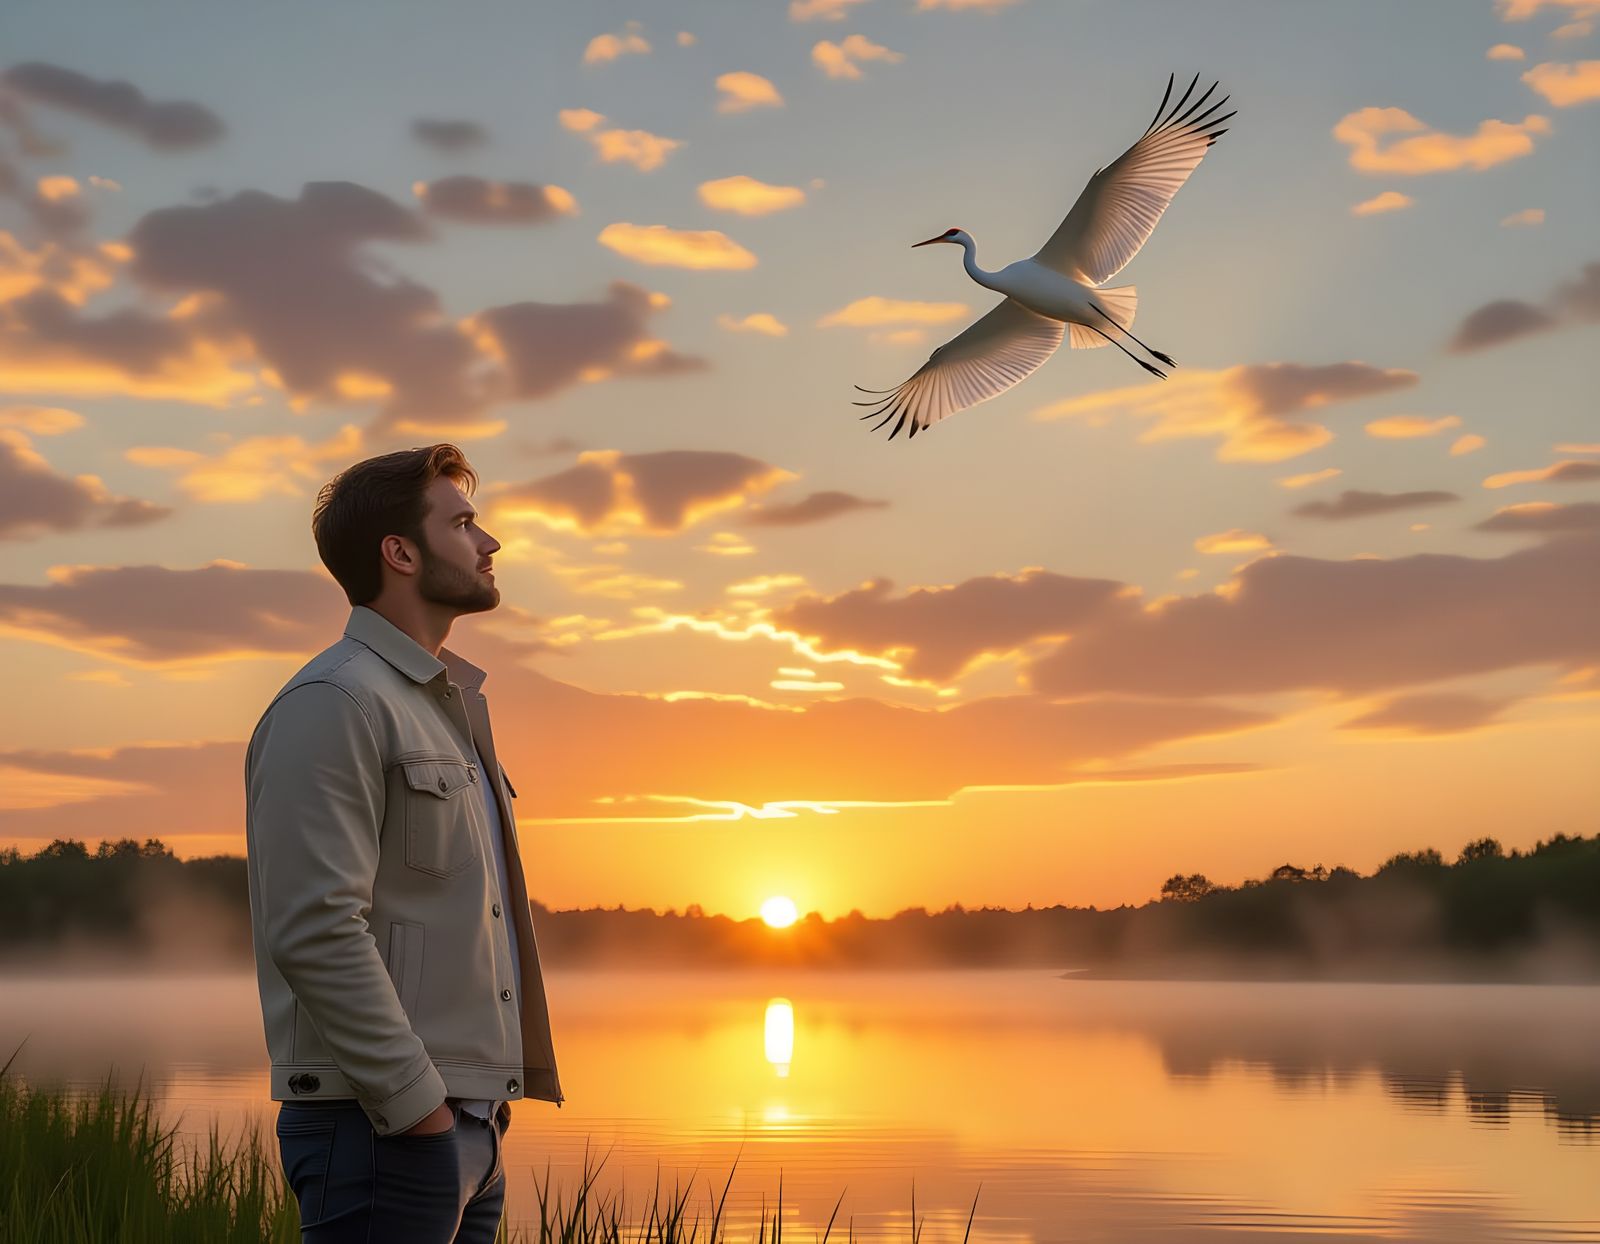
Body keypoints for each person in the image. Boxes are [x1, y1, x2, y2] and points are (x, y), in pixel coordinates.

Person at [244, 444, 563, 1241]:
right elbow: (314, 927)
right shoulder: (334, 702)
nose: (489, 544)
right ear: (400, 552)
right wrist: (417, 1107)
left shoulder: (443, 707)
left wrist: (469, 1112)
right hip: (383, 1129)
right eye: (463, 524)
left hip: (470, 1128)